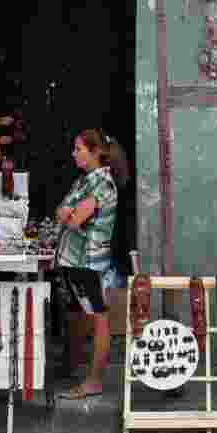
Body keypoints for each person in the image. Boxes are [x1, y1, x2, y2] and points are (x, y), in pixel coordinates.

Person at [53, 128, 131, 400]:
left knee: (99, 320)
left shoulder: (102, 184)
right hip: (75, 260)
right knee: (77, 314)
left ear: (96, 152)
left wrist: (69, 214)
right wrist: (68, 213)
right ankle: (73, 369)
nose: (74, 154)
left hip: (89, 261)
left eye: (79, 149)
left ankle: (94, 381)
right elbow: (62, 210)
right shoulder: (85, 181)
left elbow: (73, 218)